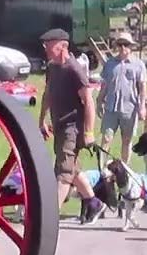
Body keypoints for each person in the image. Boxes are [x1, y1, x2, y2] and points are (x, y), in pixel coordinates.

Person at [38, 28, 100, 221]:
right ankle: (94, 202)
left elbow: (89, 101)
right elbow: (47, 94)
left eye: (50, 46)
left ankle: (50, 216)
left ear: (63, 46)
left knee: (64, 171)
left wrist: (89, 132)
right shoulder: (52, 66)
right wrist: (42, 120)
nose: (46, 49)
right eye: (46, 46)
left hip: (72, 127)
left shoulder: (74, 69)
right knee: (72, 168)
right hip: (58, 125)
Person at [97, 31, 147, 164]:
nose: (123, 48)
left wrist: (142, 107)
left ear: (131, 46)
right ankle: (101, 168)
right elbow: (104, 85)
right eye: (120, 44)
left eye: (126, 45)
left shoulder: (138, 65)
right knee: (106, 139)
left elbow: (142, 88)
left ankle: (125, 169)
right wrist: (99, 101)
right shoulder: (109, 64)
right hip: (111, 108)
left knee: (127, 140)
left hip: (129, 109)